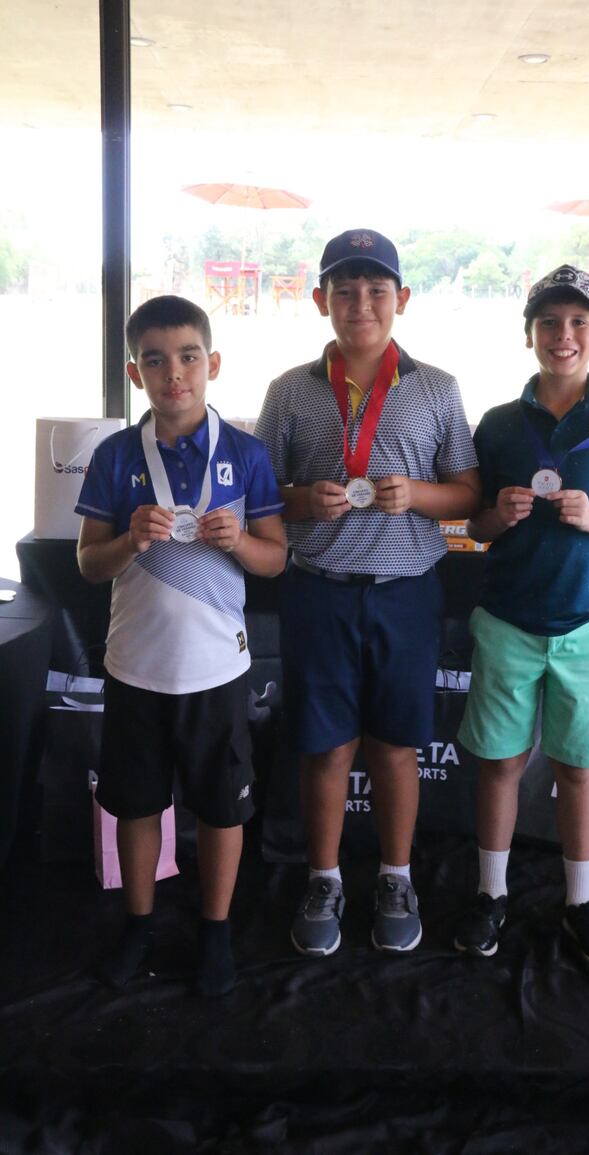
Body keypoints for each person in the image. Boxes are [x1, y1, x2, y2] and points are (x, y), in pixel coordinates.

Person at [255, 229, 481, 956]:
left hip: (405, 593)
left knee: (396, 746)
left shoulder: (437, 388)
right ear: (319, 300)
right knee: (325, 748)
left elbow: (467, 493)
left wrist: (417, 494)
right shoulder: (290, 391)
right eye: (344, 291)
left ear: (401, 299)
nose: (361, 304)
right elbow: (261, 495)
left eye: (376, 290)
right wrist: (302, 499)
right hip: (318, 591)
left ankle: (394, 876)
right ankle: (323, 878)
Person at [455, 265, 589, 969]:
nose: (563, 334)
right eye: (548, 322)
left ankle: (581, 902)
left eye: (579, 322)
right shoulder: (499, 424)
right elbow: (476, 525)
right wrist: (498, 513)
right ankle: (491, 893)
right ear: (529, 335)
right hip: (508, 623)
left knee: (579, 768)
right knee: (500, 764)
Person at [75, 294, 287, 997]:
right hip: (136, 665)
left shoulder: (246, 453)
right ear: (134, 373)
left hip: (216, 668)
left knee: (223, 807)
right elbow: (88, 565)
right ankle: (138, 924)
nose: (174, 374)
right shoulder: (115, 456)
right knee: (136, 803)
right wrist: (129, 540)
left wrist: (242, 542)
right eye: (156, 360)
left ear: (212, 363)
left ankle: (215, 930)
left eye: (189, 357)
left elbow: (276, 559)